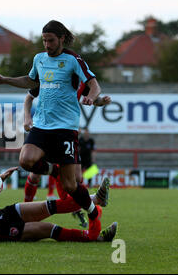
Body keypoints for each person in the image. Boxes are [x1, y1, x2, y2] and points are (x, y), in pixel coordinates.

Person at [0, 20, 105, 239]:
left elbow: (94, 84)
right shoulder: (39, 59)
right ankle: (54, 171)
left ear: (62, 39)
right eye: (44, 40)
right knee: (25, 160)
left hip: (65, 128)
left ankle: (93, 214)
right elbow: (29, 81)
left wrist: (92, 98)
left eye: (50, 40)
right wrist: (6, 80)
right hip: (42, 124)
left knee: (72, 185)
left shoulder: (73, 60)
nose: (47, 45)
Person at [23, 83, 112, 227]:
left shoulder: (80, 80)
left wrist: (102, 101)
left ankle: (90, 204)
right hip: (45, 131)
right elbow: (29, 96)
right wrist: (27, 117)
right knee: (34, 173)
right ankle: (26, 209)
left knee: (75, 180)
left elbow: (95, 99)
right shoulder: (49, 74)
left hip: (66, 133)